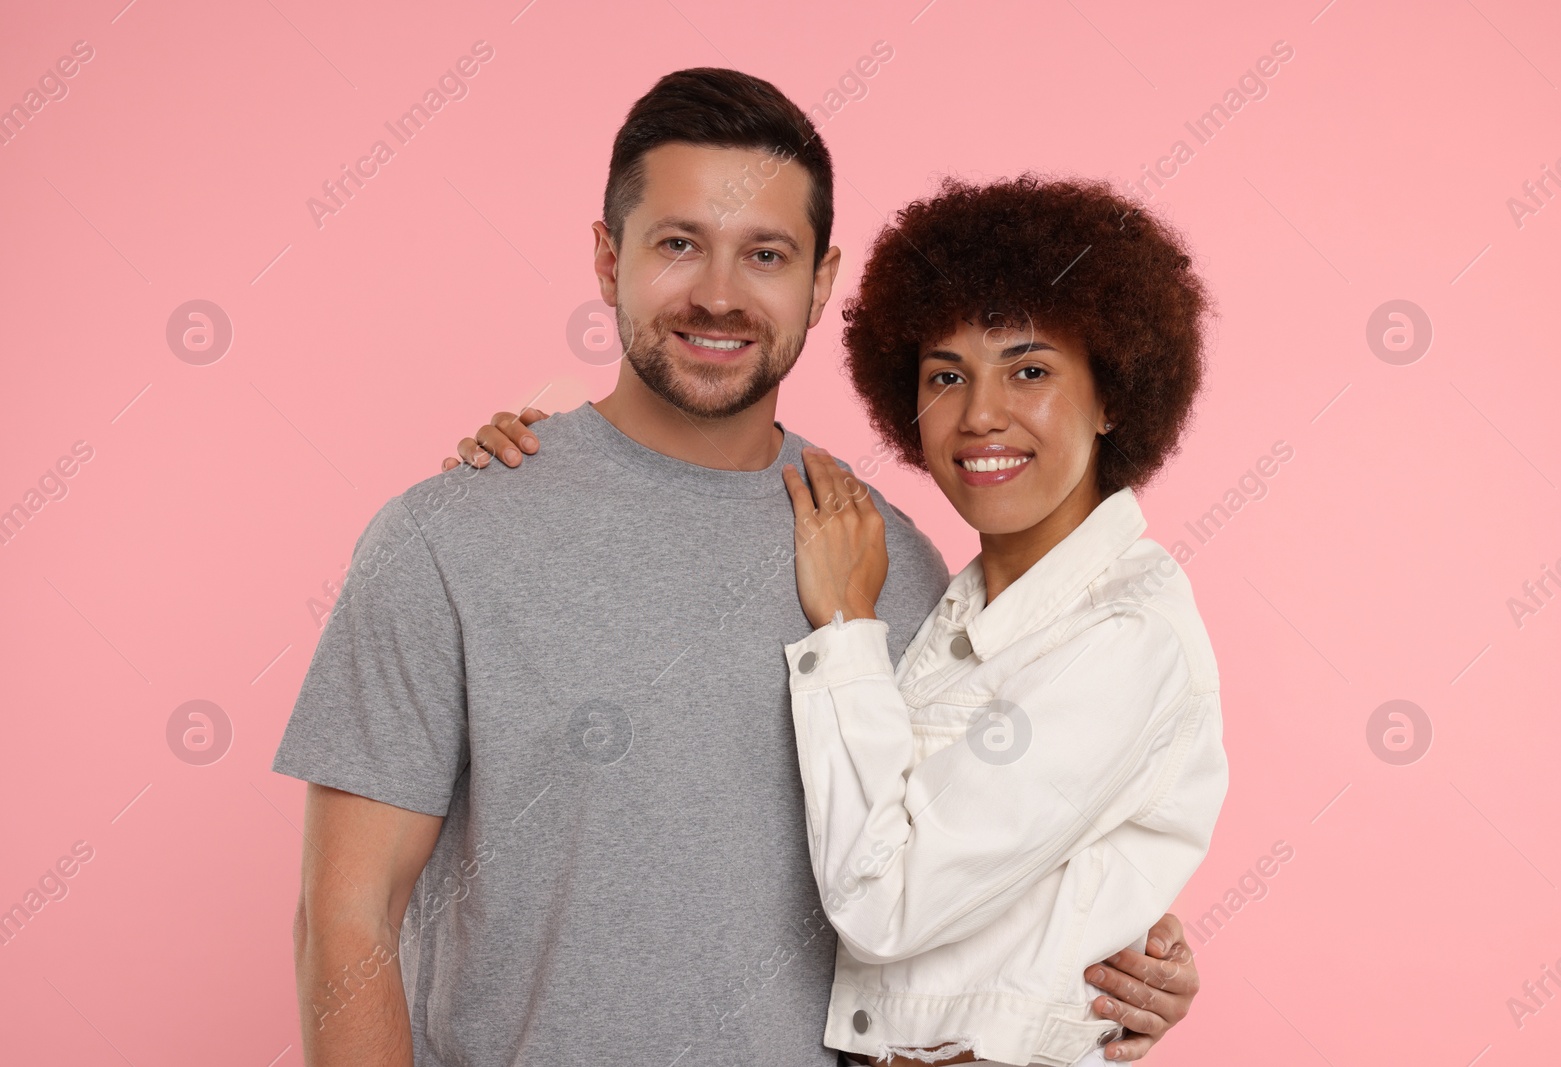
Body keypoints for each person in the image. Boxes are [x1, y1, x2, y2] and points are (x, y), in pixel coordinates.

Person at [277, 68, 1196, 1067]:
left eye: (764, 253)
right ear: (605, 256)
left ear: (821, 278)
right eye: (678, 243)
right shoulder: (449, 536)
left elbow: (969, 864)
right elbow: (347, 918)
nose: (718, 293)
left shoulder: (892, 562)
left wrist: (1133, 958)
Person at [777, 176, 1224, 1066]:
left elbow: (882, 903)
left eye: (1029, 369)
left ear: (1111, 397)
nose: (981, 414)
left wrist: (841, 627)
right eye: (947, 374)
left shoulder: (1124, 639)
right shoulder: (941, 599)